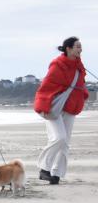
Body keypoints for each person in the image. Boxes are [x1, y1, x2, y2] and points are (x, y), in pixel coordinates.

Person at [34, 37, 88, 184]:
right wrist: (43, 105)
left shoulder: (79, 67)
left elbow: (80, 84)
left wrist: (83, 95)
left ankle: (56, 174)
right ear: (68, 48)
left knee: (65, 143)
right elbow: (46, 87)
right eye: (77, 46)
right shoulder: (57, 65)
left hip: (71, 107)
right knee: (59, 138)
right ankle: (44, 168)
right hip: (54, 108)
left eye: (80, 47)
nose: (80, 49)